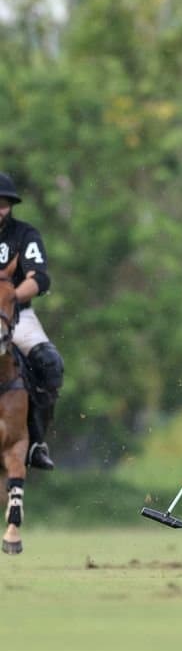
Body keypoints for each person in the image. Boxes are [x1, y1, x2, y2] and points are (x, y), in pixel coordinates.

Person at [0, 172, 63, 470]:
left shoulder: (24, 235)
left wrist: (9, 298)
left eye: (4, 203)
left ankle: (36, 442)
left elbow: (38, 278)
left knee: (50, 364)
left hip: (16, 316)